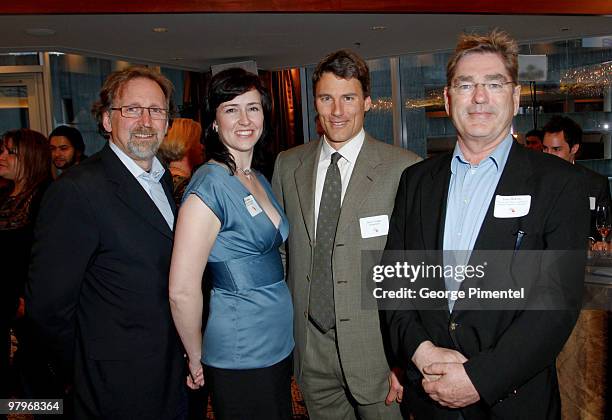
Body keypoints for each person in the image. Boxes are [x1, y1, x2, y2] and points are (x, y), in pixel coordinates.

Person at [384, 30, 588, 418]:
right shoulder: (416, 181)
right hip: (428, 397)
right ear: (447, 99)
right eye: (466, 85)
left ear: (513, 98)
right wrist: (420, 351)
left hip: (512, 401)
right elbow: (396, 281)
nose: (479, 97)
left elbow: (556, 307)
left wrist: (480, 379)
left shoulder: (561, 184)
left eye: (494, 84)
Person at [27, 67, 186, 419]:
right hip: (113, 384)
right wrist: (84, 369)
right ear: (106, 120)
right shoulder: (77, 191)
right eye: (132, 109)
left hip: (170, 370)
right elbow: (49, 308)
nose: (146, 120)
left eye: (156, 110)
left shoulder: (159, 179)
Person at [272, 50, 421, 419]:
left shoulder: (405, 169)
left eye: (348, 98)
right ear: (315, 104)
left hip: (378, 352)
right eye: (326, 98)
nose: (337, 110)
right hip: (311, 350)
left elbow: (414, 272)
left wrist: (405, 356)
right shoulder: (288, 164)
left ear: (367, 102)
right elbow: (281, 254)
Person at [169, 68, 293, 420]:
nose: (244, 119)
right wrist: (195, 355)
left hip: (277, 339)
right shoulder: (208, 185)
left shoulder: (256, 177)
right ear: (213, 122)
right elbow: (181, 289)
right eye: (231, 109)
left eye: (253, 108)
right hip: (241, 345)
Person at [0, 129, 51, 401]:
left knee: (40, 386)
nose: (2, 157)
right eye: (3, 150)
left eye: (11, 152)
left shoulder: (47, 197)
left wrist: (27, 298)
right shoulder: (4, 196)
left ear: (30, 157)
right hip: (6, 302)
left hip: (28, 307)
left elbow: (47, 258)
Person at [542, 115, 612, 244]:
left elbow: (604, 225)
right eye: (546, 148)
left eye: (556, 149)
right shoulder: (534, 182)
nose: (549, 155)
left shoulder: (596, 183)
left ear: (574, 148)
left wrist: (592, 241)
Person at [157, 118, 204, 206]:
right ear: (187, 145)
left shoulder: (163, 179)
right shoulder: (186, 188)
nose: (202, 146)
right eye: (198, 141)